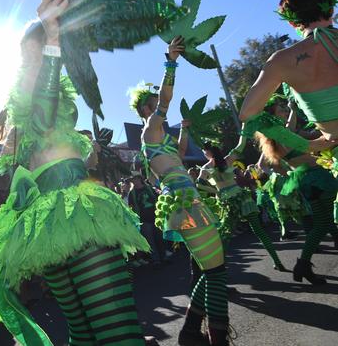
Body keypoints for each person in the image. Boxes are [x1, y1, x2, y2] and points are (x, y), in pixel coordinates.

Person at [0, 0, 150, 345]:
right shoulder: (34, 79)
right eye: (58, 42)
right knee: (115, 330)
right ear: (34, 49)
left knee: (83, 332)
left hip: (47, 220)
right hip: (72, 209)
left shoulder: (24, 91)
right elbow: (48, 116)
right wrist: (51, 37)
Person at [132, 35, 229, 346]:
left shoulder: (159, 136)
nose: (159, 107)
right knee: (216, 272)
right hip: (183, 201)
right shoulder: (151, 128)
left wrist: (185, 129)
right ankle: (217, 337)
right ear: (146, 108)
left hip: (186, 200)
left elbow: (182, 150)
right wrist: (170, 63)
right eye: (154, 104)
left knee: (208, 269)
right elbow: (165, 99)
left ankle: (190, 333)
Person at [238, 0, 338, 285]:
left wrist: (311, 141)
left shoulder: (283, 60)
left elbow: (248, 114)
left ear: (293, 22)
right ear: (330, 8)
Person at [254, 96, 338, 284]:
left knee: (322, 224)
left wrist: (293, 108)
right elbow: (315, 143)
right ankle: (303, 265)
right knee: (324, 223)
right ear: (272, 117)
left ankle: (303, 265)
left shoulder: (277, 136)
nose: (284, 111)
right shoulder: (281, 137)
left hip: (309, 180)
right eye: (280, 109)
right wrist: (331, 137)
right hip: (317, 179)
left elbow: (293, 127)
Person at [199, 143, 286, 271]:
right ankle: (277, 262)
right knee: (259, 231)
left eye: (203, 152)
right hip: (241, 198)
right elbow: (240, 145)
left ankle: (218, 274)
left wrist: (215, 190)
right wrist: (245, 128)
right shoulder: (227, 160)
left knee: (225, 238)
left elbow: (199, 184)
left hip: (229, 202)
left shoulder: (206, 168)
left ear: (207, 153)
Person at [128, 176, 168, 265]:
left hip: (156, 217)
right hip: (144, 220)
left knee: (160, 238)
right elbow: (131, 207)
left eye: (136, 178)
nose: (134, 181)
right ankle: (156, 260)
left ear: (139, 179)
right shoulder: (132, 193)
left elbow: (158, 199)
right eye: (133, 179)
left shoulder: (149, 188)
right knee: (150, 241)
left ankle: (164, 257)